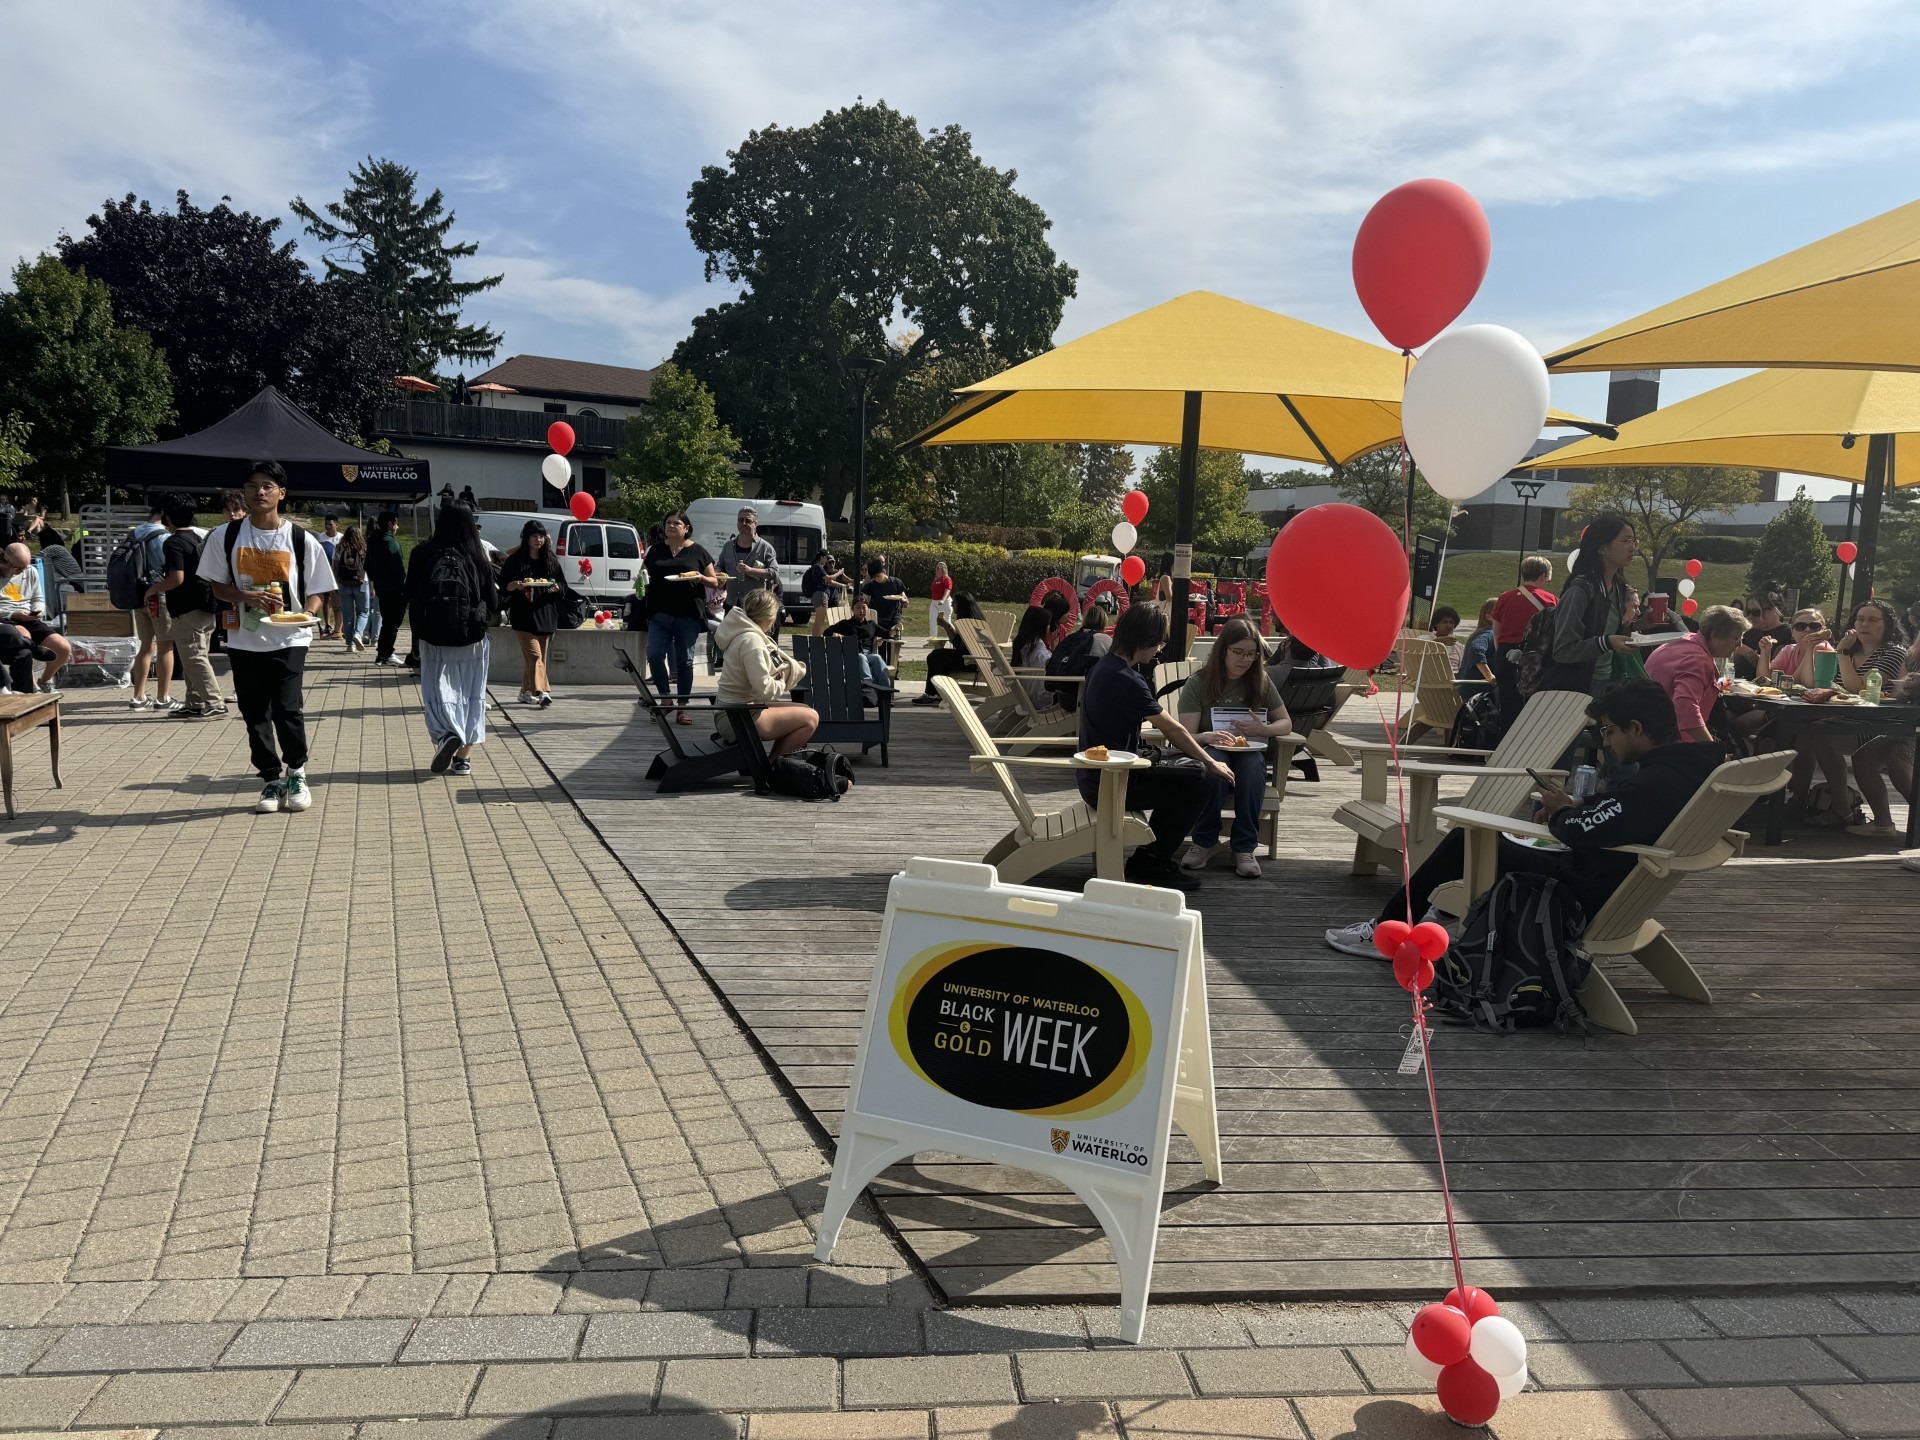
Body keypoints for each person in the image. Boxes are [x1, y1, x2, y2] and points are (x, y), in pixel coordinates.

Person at [1324, 681, 1723, 956]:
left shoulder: (1654, 782)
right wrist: (1582, 806)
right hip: (1620, 885)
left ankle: (1387, 931)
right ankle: (1441, 915)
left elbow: (1576, 830)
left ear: (1636, 728)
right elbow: (1623, 814)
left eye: (1609, 731)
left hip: (1579, 890)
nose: (1606, 741)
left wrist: (1565, 811)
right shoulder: (1686, 770)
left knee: (1466, 838)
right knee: (1499, 842)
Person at [196, 460, 337, 813]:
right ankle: (271, 779)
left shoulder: (301, 539)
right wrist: (245, 597)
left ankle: (297, 771)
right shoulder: (224, 536)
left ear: (281, 494)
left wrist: (309, 612)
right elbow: (217, 585)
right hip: (244, 637)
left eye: (267, 486)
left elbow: (319, 588)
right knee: (254, 711)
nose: (259, 492)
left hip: (290, 637)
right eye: (253, 485)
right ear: (243, 493)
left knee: (288, 708)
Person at [1077, 601, 1235, 892]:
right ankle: (1151, 860)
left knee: (1189, 770)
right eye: (1159, 642)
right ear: (1145, 640)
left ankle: (1153, 854)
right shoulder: (1126, 679)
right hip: (1113, 783)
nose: (1160, 649)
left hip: (1102, 775)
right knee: (1202, 780)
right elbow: (1170, 727)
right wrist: (1211, 762)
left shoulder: (1105, 667)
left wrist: (1197, 746)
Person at [1175, 616, 1293, 878]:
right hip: (1212, 749)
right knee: (1216, 763)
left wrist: (1264, 729)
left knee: (1253, 767)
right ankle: (1204, 841)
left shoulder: (1260, 680)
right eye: (1238, 652)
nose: (1244, 659)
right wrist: (1207, 736)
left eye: (1251, 654)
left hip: (1249, 752)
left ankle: (1244, 847)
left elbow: (1285, 723)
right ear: (1223, 650)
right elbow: (1187, 735)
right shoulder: (1199, 683)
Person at [1797, 600, 1911, 829]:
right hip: (1852, 719)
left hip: (1883, 723)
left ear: (1887, 625)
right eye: (1860, 619)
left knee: (1825, 737)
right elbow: (1826, 685)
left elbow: (1858, 687)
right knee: (1812, 733)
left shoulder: (1893, 652)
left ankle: (1847, 809)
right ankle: (1837, 806)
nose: (1863, 624)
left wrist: (1841, 652)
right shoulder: (1853, 652)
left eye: (1872, 620)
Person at [406, 502, 497, 777]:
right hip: (471, 636)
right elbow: (493, 601)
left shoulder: (422, 552)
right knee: (471, 695)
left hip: (433, 636)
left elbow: (409, 593)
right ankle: (463, 759)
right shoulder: (477, 555)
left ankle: (446, 735)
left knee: (436, 692)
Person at [714, 587, 818, 759]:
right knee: (811, 718)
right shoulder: (752, 641)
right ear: (770, 617)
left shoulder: (740, 632)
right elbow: (764, 690)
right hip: (738, 718)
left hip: (732, 712)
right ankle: (772, 768)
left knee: (804, 710)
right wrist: (782, 682)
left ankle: (772, 765)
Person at [144, 496, 221, 717]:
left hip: (188, 609)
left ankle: (214, 702)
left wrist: (153, 589)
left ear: (167, 517)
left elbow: (176, 578)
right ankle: (194, 702)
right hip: (205, 605)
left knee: (195, 657)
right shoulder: (197, 538)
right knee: (193, 657)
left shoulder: (173, 542)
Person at [1548, 515, 1639, 696]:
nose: (1632, 547)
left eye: (1634, 541)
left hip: (1610, 681)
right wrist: (1607, 642)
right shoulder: (1580, 591)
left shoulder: (1619, 588)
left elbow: (1612, 630)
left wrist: (1644, 624)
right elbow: (1563, 650)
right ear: (1603, 548)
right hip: (1577, 687)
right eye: (1625, 541)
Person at [640, 511, 718, 718]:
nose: (671, 526)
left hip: (688, 614)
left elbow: (714, 581)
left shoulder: (698, 551)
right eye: (668, 523)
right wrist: (641, 581)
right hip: (659, 613)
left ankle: (683, 706)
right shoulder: (656, 551)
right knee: (655, 655)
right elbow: (642, 573)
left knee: (685, 661)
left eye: (676, 523)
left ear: (686, 528)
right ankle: (665, 698)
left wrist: (700, 577)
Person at [1646, 603, 1745, 744]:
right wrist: (1712, 749)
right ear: (1715, 634)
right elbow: (1685, 710)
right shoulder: (1699, 661)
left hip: (1646, 731)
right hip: (1664, 742)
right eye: (1736, 638)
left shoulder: (1686, 641)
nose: (1739, 644)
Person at [500, 519, 569, 708]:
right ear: (526, 538)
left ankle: (524, 691)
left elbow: (563, 584)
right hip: (522, 615)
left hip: (545, 613)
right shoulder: (515, 560)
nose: (538, 540)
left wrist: (555, 588)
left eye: (541, 536)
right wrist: (517, 585)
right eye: (534, 536)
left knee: (538, 659)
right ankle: (543, 691)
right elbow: (504, 585)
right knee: (535, 656)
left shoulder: (550, 559)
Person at [1847, 658, 1918, 838]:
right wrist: (1906, 687)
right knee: (1863, 758)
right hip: (1907, 729)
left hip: (1914, 733)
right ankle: (1883, 824)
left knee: (1898, 756)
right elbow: (1897, 696)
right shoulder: (1913, 657)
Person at [1491, 556, 1557, 721]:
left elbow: (1496, 632)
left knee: (1508, 706)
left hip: (1505, 653)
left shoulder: (1505, 597)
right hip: (1536, 656)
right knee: (1534, 708)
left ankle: (1505, 742)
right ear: (1543, 576)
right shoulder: (1550, 600)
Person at [0, 543, 70, 693]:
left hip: (28, 616)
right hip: (7, 618)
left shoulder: (30, 571)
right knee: (23, 636)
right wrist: (13, 615)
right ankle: (33, 685)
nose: (22, 571)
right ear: (6, 559)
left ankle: (44, 681)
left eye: (25, 567)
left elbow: (38, 597)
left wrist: (38, 610)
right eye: (18, 568)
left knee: (63, 647)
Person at [128, 501, 176, 710]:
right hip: (160, 595)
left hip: (138, 596)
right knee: (166, 646)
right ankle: (163, 698)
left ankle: (138, 697)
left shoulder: (135, 533)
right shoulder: (164, 537)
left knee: (145, 646)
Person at [917, 593, 986, 703]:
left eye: (954, 603)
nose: (952, 605)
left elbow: (959, 646)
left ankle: (933, 693)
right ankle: (936, 693)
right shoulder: (974, 619)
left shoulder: (967, 623)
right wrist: (946, 626)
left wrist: (947, 626)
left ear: (961, 605)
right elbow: (959, 644)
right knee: (938, 657)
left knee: (936, 656)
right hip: (971, 659)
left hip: (971, 661)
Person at [1046, 601, 1114, 712]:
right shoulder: (1104, 639)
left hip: (1063, 698)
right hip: (1086, 701)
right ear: (1103, 622)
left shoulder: (1072, 637)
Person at [368, 511, 410, 667]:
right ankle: (386, 653)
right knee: (393, 622)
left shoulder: (373, 540)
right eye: (396, 523)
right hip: (394, 589)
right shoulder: (390, 542)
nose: (397, 527)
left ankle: (382, 653)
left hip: (381, 588)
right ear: (390, 524)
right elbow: (398, 569)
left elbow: (368, 566)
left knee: (387, 621)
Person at [718, 506, 779, 611]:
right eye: (741, 520)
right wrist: (718, 574)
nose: (744, 523)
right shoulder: (728, 546)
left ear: (755, 524)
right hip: (731, 603)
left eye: (748, 521)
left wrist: (750, 570)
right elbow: (720, 566)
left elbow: (774, 573)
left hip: (754, 605)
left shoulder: (765, 548)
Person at [824, 597, 891, 689]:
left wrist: (894, 630)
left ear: (868, 609)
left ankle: (885, 689)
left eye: (864, 607)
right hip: (851, 654)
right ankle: (868, 687)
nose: (861, 610)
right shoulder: (845, 624)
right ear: (852, 609)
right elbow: (826, 632)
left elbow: (886, 634)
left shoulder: (871, 625)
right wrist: (834, 634)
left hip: (868, 654)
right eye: (858, 607)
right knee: (861, 657)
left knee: (877, 657)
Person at [1755, 607, 1830, 686]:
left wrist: (1809, 649)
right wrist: (1765, 652)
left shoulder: (1822, 649)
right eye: (1800, 626)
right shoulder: (1789, 649)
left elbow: (1797, 682)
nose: (1807, 630)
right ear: (1792, 633)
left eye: (1814, 626)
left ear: (1823, 630)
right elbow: (1764, 679)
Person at [1733, 592, 1792, 680]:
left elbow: (1777, 673)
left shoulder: (1788, 634)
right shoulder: (1748, 633)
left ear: (1775, 610)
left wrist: (1747, 652)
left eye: (1756, 612)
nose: (1750, 616)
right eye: (1748, 612)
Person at [35, 527, 84, 628]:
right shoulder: (60, 548)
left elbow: (35, 559)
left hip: (74, 582)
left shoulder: (54, 548)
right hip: (76, 581)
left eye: (40, 540)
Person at [333, 525, 371, 651]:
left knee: (348, 615)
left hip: (344, 584)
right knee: (363, 612)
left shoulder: (339, 547)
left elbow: (335, 567)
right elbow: (369, 568)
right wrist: (372, 585)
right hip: (361, 583)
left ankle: (350, 644)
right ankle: (358, 634)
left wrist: (335, 583)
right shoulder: (363, 547)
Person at [1009, 604, 1054, 708]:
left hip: (1027, 694)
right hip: (1039, 698)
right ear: (1040, 627)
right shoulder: (1037, 651)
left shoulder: (1023, 645)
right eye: (1047, 624)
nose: (1049, 627)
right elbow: (1050, 663)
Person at [861, 557, 908, 633]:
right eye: (874, 577)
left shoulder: (896, 583)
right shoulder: (871, 586)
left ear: (884, 572)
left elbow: (906, 602)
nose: (876, 579)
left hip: (894, 619)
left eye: (878, 576)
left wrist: (903, 601)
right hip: (878, 620)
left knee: (894, 642)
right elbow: (863, 602)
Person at [1458, 598, 1499, 682]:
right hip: (1480, 689)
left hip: (1465, 687)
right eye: (1500, 610)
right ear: (1488, 617)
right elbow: (1476, 650)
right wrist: (1490, 676)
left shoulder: (1479, 633)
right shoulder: (1488, 634)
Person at [801, 550, 849, 619]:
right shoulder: (818, 567)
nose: (826, 561)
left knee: (821, 619)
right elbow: (829, 578)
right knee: (820, 619)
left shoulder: (818, 567)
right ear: (821, 557)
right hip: (820, 594)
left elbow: (830, 582)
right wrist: (840, 572)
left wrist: (843, 585)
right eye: (826, 558)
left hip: (821, 595)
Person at [317, 515, 344, 637]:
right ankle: (327, 625)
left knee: (338, 601)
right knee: (326, 599)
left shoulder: (342, 538)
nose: (328, 527)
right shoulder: (320, 538)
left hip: (338, 574)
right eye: (326, 524)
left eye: (330, 524)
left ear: (336, 525)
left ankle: (340, 626)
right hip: (324, 572)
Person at [1428, 606, 1464, 671]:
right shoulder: (1424, 639)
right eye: (1444, 622)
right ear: (1436, 624)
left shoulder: (1458, 646)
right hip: (1432, 677)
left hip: (1455, 678)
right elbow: (1418, 652)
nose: (1448, 625)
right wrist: (1436, 641)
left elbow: (1462, 667)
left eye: (1451, 622)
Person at [928, 560, 955, 637]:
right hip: (934, 603)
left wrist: (943, 600)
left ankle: (955, 637)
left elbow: (947, 590)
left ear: (944, 569)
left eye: (940, 567)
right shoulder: (936, 579)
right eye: (937, 567)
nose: (938, 569)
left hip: (945, 603)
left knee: (947, 621)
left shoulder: (947, 579)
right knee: (932, 620)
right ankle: (932, 639)